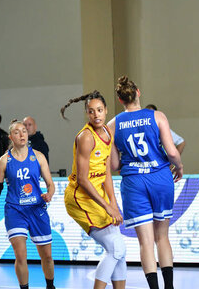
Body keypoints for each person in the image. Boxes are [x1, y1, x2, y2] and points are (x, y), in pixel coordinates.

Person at [108, 76, 184, 289]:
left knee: (146, 243)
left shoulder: (112, 125)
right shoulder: (157, 116)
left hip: (134, 182)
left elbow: (114, 164)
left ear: (120, 99)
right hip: (160, 177)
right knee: (162, 237)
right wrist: (178, 167)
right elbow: (171, 152)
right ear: (138, 92)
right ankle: (169, 287)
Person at [61, 91, 126, 289]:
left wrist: (113, 203)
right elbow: (82, 179)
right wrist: (107, 207)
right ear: (87, 114)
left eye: (99, 110)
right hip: (80, 198)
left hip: (98, 195)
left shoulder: (107, 132)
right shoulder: (86, 137)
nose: (96, 115)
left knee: (120, 251)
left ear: (106, 111)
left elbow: (106, 171)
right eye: (91, 111)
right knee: (116, 248)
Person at [0, 120, 56, 289]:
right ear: (11, 137)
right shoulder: (4, 161)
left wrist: (49, 194)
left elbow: (50, 184)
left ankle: (50, 286)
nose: (22, 134)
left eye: (24, 131)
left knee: (47, 257)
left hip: (37, 209)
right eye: (17, 132)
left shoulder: (38, 156)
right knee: (21, 256)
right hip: (15, 211)